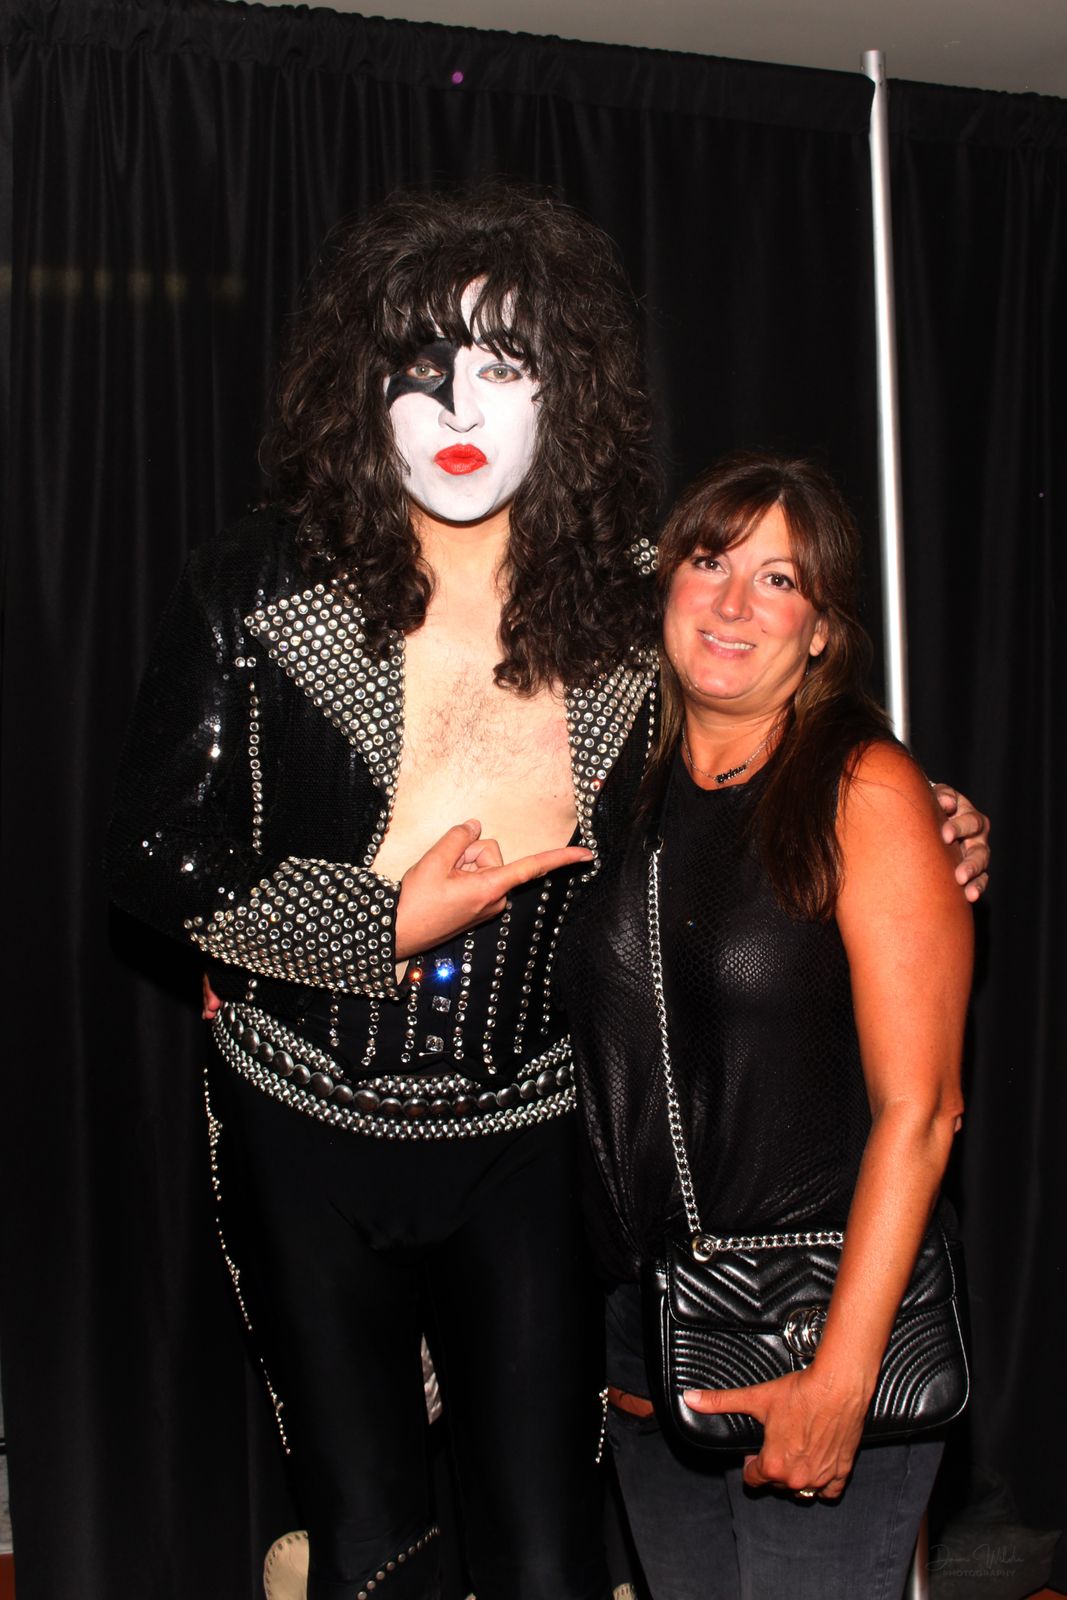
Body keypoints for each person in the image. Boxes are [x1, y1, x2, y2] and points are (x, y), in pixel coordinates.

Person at [105, 189, 989, 1600]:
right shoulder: (258, 582)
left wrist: (913, 810)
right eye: (421, 366)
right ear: (360, 385)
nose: (459, 403)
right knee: (369, 1537)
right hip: (298, 1118)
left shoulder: (631, 607)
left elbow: (759, 732)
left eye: (504, 365)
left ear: (565, 389)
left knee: (544, 1548)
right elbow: (151, 853)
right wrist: (369, 924)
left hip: (532, 1136)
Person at [560, 453, 975, 1599]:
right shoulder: (619, 797)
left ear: (822, 631)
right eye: (709, 561)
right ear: (665, 586)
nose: (733, 601)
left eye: (778, 578)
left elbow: (921, 1110)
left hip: (817, 1342)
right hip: (649, 1353)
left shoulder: (862, 788)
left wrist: (840, 1379)